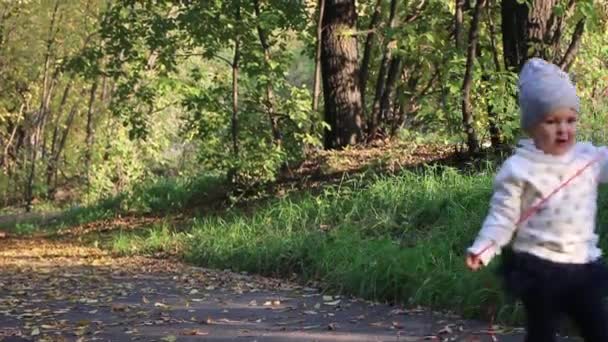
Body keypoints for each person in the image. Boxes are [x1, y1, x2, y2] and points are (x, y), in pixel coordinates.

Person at [466, 58, 608, 342]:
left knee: (598, 327)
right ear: (531, 126)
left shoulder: (588, 158)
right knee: (542, 333)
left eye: (570, 120)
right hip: (539, 269)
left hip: (582, 264)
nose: (563, 129)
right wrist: (484, 247)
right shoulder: (519, 169)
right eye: (551, 121)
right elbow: (503, 217)